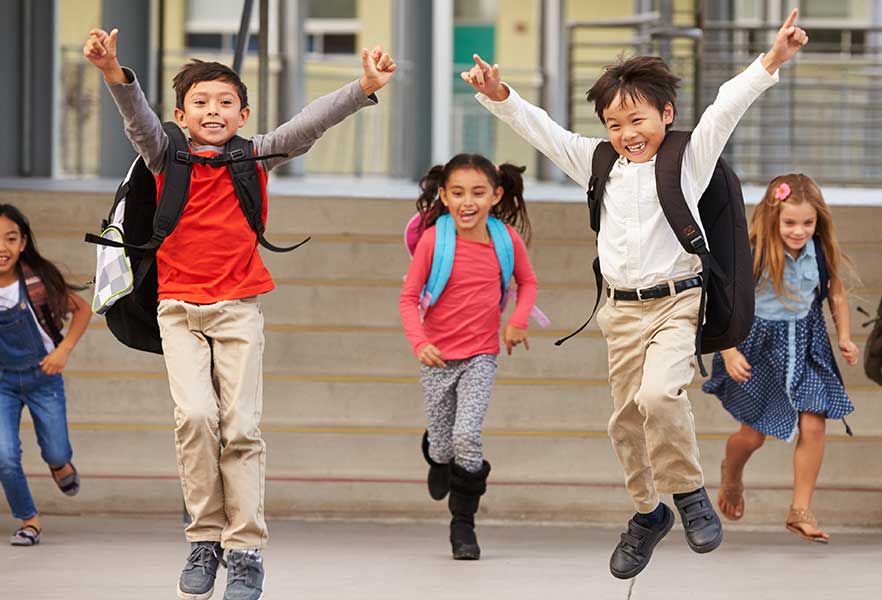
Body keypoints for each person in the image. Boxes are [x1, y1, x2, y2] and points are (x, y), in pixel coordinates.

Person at [462, 9, 810, 579]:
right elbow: (544, 132)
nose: (627, 133)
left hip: (677, 304)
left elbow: (726, 106)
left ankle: (690, 494)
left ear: (665, 115)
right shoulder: (600, 163)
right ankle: (648, 513)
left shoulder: (687, 159)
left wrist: (771, 59)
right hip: (619, 312)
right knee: (624, 422)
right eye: (614, 123)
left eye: (638, 119)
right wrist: (501, 95)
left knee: (659, 398)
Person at [86, 27, 395, 600]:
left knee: (243, 429)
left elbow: (310, 123)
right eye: (200, 103)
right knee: (197, 418)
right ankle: (204, 538)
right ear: (180, 114)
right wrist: (112, 71)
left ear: (243, 113)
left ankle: (246, 550)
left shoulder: (253, 156)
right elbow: (138, 119)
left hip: (238, 310)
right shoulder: (164, 153)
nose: (213, 111)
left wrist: (363, 86)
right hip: (177, 311)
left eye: (225, 102)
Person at [703, 174, 857, 543]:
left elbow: (835, 293)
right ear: (773, 218)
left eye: (808, 222)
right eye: (790, 222)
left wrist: (845, 337)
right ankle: (732, 473)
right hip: (757, 347)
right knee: (752, 437)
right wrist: (728, 349)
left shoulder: (819, 250)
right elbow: (722, 301)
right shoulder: (753, 250)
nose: (799, 231)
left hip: (806, 343)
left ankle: (800, 510)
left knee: (815, 424)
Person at [399, 154, 538, 561]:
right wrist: (419, 342)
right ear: (443, 196)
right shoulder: (433, 240)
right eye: (457, 193)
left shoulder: (505, 239)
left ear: (496, 195)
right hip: (437, 357)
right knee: (444, 447)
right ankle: (437, 457)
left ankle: (463, 525)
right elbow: (408, 298)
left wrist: (518, 320)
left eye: (478, 192)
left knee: (467, 436)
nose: (467, 202)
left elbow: (527, 283)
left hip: (481, 355)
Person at [0, 205, 90, 547]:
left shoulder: (37, 281)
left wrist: (63, 350)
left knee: (55, 451)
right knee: (4, 456)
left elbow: (81, 309)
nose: (2, 248)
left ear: (23, 243)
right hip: (2, 382)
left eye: (10, 238)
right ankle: (28, 519)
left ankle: (58, 464)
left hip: (43, 377)